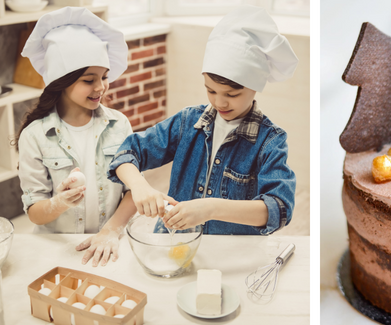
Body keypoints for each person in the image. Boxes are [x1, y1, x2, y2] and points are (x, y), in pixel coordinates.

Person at [107, 5, 299, 235]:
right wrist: (139, 186)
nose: (220, 103)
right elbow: (127, 152)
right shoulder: (188, 122)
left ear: (256, 86)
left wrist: (210, 208)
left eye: (232, 94)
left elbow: (279, 209)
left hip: (230, 254)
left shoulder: (270, 141)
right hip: (174, 244)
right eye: (211, 91)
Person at [15, 7, 135, 266]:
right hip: (58, 249)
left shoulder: (119, 125)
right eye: (88, 80)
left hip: (110, 243)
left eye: (104, 77)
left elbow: (133, 191)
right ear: (61, 81)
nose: (101, 87)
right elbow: (35, 213)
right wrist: (59, 203)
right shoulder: (35, 136)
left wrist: (110, 231)